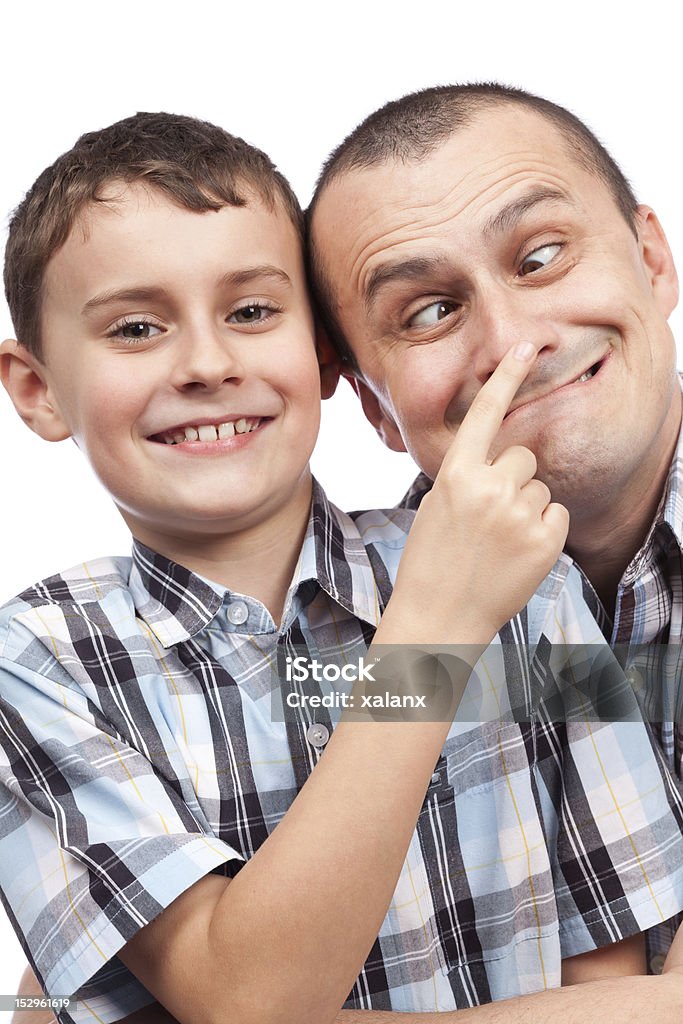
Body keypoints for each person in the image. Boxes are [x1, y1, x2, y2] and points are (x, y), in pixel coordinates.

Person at [0, 111, 680, 1024]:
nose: (206, 362)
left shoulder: (527, 586)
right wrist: (433, 638)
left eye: (250, 311)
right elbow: (246, 999)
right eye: (134, 328)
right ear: (37, 389)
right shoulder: (40, 662)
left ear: (320, 357)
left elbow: (623, 987)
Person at [306, 82, 683, 1015]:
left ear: (652, 259)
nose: (511, 340)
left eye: (542, 256)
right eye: (428, 311)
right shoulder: (317, 647)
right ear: (372, 409)